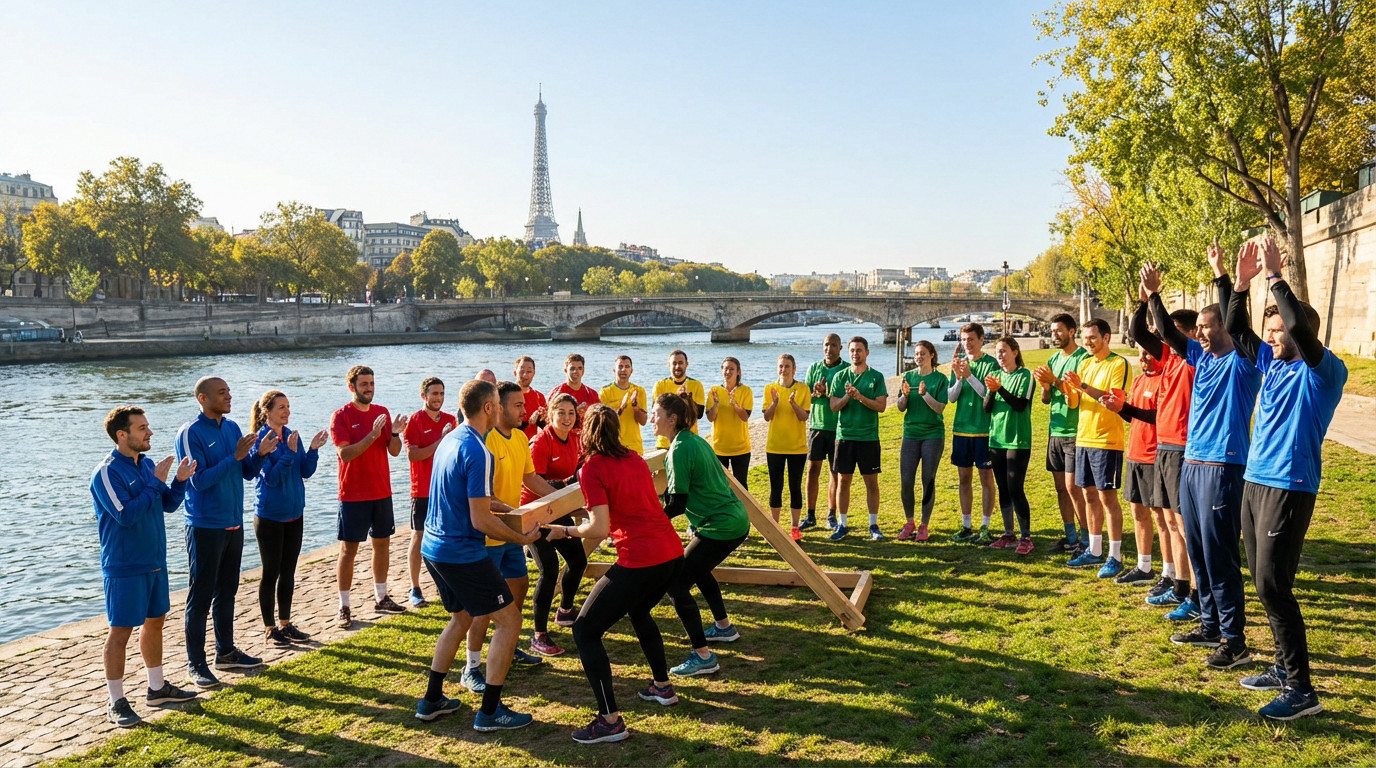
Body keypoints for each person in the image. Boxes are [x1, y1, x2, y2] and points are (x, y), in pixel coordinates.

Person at [1228, 235, 1345, 720]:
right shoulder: (1270, 364)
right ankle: (1281, 670)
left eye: (1279, 332)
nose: (1272, 338)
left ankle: (1302, 690)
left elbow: (1296, 321)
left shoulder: (1324, 373)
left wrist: (1277, 277)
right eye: (1270, 332)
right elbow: (1236, 327)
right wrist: (1239, 283)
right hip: (1255, 481)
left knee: (1275, 585)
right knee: (1260, 580)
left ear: (1303, 336)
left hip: (1290, 486)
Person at [1144, 249, 1260, 670]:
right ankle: (1210, 624)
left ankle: (1235, 641)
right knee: (1198, 550)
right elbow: (1169, 336)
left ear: (1226, 328)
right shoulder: (1200, 356)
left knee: (1219, 555)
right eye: (1200, 329)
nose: (1202, 334)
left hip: (1222, 468)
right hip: (1192, 466)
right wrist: (1154, 297)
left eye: (1209, 327)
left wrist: (1230, 281)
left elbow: (1239, 323)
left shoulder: (1244, 363)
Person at [543, 404, 686, 744]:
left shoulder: (591, 467)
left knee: (585, 631)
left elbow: (598, 528)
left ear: (585, 433)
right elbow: (626, 505)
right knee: (638, 611)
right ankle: (662, 687)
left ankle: (610, 720)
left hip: (640, 558)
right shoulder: (635, 458)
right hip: (671, 552)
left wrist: (564, 532)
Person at [414, 379, 542, 730]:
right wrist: (520, 536)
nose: (501, 410)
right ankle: (489, 711)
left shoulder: (450, 439)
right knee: (510, 620)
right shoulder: (480, 451)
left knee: (461, 618)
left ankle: (431, 699)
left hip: (434, 549)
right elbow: (480, 518)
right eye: (498, 406)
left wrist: (506, 510)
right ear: (488, 408)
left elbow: (474, 498)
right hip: (461, 553)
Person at [92, 406, 198, 727]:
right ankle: (117, 701)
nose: (149, 432)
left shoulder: (148, 465)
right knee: (120, 631)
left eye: (148, 426)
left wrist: (177, 482)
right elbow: (125, 515)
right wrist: (155, 484)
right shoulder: (107, 473)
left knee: (155, 622)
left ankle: (157, 688)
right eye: (142, 428)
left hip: (155, 562)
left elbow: (166, 503)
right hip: (124, 566)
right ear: (122, 435)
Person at [175, 377, 271, 689]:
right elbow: (197, 481)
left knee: (227, 591)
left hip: (232, 522)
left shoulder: (230, 428)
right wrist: (236, 457)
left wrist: (260, 455)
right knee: (200, 596)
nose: (229, 396)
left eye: (229, 391)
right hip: (204, 524)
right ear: (203, 398)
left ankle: (226, 652)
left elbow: (245, 472)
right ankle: (197, 664)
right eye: (222, 392)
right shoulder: (190, 432)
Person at [461, 382, 559, 686]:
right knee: (485, 604)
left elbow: (530, 478)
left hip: (512, 532)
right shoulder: (484, 442)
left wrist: (563, 498)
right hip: (487, 535)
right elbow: (480, 499)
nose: (525, 411)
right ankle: (471, 667)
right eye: (518, 405)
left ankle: (509, 646)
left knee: (519, 585)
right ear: (498, 407)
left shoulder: (519, 438)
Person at [655, 392, 751, 676]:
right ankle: (724, 627)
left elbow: (677, 504)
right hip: (733, 520)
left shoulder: (678, 450)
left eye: (656, 414)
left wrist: (648, 521)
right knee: (697, 569)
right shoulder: (694, 440)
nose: (651, 419)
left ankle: (703, 656)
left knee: (675, 584)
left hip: (721, 526)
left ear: (671, 419)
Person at [1135, 273, 1204, 608]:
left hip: (1181, 446)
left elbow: (1162, 330)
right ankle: (1177, 583)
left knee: (1182, 523)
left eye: (1174, 334)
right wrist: (1141, 300)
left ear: (1188, 334)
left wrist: (1154, 295)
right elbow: (1138, 332)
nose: (1166, 340)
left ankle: (1195, 592)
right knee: (1168, 519)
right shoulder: (1169, 360)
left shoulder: (1194, 358)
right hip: (1163, 446)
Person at [330, 365, 409, 629]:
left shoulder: (382, 413)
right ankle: (344, 605)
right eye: (364, 384)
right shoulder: (341, 416)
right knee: (348, 550)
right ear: (351, 387)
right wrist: (372, 434)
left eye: (372, 383)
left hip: (381, 491)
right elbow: (345, 454)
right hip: (353, 493)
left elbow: (395, 451)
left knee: (382, 544)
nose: (369, 388)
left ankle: (381, 597)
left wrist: (394, 433)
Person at [1101, 296, 1171, 588]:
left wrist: (1125, 409)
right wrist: (1120, 407)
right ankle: (1144, 566)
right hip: (1135, 454)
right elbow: (1136, 418)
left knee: (1161, 516)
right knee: (1137, 511)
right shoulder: (1140, 380)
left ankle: (1169, 571)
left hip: (1157, 456)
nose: (1142, 359)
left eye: (1147, 354)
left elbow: (1158, 417)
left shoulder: (1166, 377)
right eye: (1140, 354)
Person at [250, 390, 327, 647]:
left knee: (289, 571)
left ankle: (286, 623)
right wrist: (287, 454)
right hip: (270, 515)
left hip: (295, 513)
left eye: (288, 407)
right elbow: (270, 478)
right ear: (267, 411)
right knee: (270, 572)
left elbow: (304, 469)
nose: (286, 411)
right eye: (281, 407)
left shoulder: (292, 435)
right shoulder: (261, 440)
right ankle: (270, 629)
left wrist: (313, 450)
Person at [1062, 320, 1132, 578]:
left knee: (1107, 498)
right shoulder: (1084, 363)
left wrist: (1082, 386)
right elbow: (1074, 402)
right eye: (1084, 337)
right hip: (1084, 438)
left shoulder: (1118, 364)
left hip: (1106, 441)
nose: (1087, 342)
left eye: (1092, 337)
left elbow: (1113, 399)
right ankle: (1094, 550)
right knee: (1089, 495)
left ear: (1106, 337)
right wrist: (1067, 388)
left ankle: (1115, 556)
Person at [523, 394, 589, 656]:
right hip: (533, 512)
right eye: (560, 413)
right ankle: (538, 635)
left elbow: (575, 474)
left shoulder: (574, 438)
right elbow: (536, 483)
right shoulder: (540, 442)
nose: (566, 418)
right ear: (549, 415)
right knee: (549, 569)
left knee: (578, 560)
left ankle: (564, 610)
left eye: (570, 413)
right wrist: (567, 489)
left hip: (558, 507)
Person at [1032, 314, 1090, 554]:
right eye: (1052, 331)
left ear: (1072, 331)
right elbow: (1046, 399)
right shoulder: (1054, 358)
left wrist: (1053, 381)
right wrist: (1046, 388)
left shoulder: (1083, 359)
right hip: (1054, 431)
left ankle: (1088, 540)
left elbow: (1077, 393)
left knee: (1074, 488)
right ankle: (1070, 537)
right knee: (1060, 488)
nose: (1054, 335)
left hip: (1075, 431)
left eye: (1059, 331)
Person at [403, 377, 457, 607]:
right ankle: (415, 587)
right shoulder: (414, 421)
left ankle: (446, 581)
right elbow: (413, 455)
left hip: (446, 488)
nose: (438, 398)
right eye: (434, 393)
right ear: (423, 395)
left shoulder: (450, 419)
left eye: (441, 393)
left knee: (447, 535)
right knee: (419, 536)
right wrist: (440, 441)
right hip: (422, 489)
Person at [828, 336, 888, 541]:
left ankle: (873, 524)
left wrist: (860, 397)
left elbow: (881, 406)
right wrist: (848, 396)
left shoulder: (876, 377)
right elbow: (834, 406)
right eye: (852, 350)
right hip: (844, 436)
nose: (855, 354)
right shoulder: (839, 377)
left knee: (871, 482)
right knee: (843, 480)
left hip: (868, 437)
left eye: (859, 350)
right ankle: (842, 524)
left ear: (867, 353)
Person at [982, 337, 1035, 554]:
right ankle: (1008, 533)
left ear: (1015, 352)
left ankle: (1026, 537)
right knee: (1003, 487)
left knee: (1015, 488)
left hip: (1017, 439)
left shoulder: (1025, 375)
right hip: (997, 439)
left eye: (1004, 351)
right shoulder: (996, 377)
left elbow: (1021, 405)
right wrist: (993, 390)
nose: (1000, 356)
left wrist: (1000, 388)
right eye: (997, 352)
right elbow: (987, 407)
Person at [948, 324, 999, 543]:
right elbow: (951, 397)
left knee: (986, 478)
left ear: (981, 339)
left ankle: (985, 526)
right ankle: (966, 525)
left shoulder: (991, 364)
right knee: (964, 478)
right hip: (961, 429)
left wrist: (968, 376)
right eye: (964, 339)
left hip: (983, 430)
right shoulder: (960, 364)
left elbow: (988, 395)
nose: (967, 344)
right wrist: (959, 378)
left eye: (971, 339)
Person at [895, 340, 947, 541]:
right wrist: (905, 396)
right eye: (916, 354)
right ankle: (909, 522)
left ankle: (924, 525)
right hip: (911, 434)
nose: (919, 357)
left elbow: (940, 407)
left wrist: (925, 395)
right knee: (906, 480)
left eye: (923, 353)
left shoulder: (940, 379)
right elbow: (900, 407)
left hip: (932, 434)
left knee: (928, 479)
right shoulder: (908, 377)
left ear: (932, 355)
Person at [762, 353, 811, 540]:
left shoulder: (803, 389)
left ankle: (794, 527)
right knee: (776, 487)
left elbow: (804, 416)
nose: (783, 370)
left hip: (797, 447)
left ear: (794, 369)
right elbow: (767, 416)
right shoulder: (770, 388)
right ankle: (775, 527)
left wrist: (792, 403)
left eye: (787, 366)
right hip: (774, 446)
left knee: (795, 487)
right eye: (781, 366)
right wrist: (775, 403)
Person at [803, 334, 848, 530]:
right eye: (826, 345)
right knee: (812, 471)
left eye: (833, 345)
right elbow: (806, 399)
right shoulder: (814, 368)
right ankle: (810, 514)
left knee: (835, 472)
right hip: (817, 426)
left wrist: (827, 392)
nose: (829, 349)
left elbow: (846, 397)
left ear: (840, 348)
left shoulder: (846, 369)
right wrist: (815, 392)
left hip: (838, 428)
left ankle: (831, 514)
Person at [707, 356, 753, 488]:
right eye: (725, 369)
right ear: (722, 370)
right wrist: (715, 404)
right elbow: (710, 418)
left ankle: (743, 509)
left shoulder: (746, 391)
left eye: (731, 369)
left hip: (741, 448)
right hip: (719, 448)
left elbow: (745, 417)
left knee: (741, 486)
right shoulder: (714, 391)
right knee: (719, 485)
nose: (728, 372)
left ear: (738, 372)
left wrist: (734, 404)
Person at [651, 349, 706, 450]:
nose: (677, 367)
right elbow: (656, 414)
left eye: (681, 363)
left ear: (686, 364)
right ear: (668, 365)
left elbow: (699, 414)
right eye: (674, 363)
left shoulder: (696, 385)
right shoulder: (660, 385)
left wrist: (686, 398)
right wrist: (677, 399)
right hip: (664, 443)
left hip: (688, 440)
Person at [599, 355, 648, 455]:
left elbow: (643, 422)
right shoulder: (605, 392)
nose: (623, 370)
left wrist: (636, 407)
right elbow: (603, 423)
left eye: (627, 367)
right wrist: (621, 407)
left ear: (631, 370)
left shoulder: (639, 390)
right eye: (620, 366)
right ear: (614, 370)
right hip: (613, 445)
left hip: (634, 446)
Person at [549, 353, 601, 430]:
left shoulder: (592, 394)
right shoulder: (557, 393)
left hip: (585, 437)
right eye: (572, 368)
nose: (575, 371)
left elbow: (598, 420)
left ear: (583, 371)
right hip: (564, 437)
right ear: (565, 370)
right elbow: (549, 420)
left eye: (579, 368)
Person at [514, 356, 548, 440]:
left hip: (531, 445)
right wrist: (528, 421)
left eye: (529, 371)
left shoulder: (539, 396)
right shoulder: (508, 395)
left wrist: (541, 419)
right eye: (521, 371)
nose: (525, 375)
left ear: (534, 373)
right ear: (515, 373)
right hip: (511, 443)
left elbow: (546, 427)